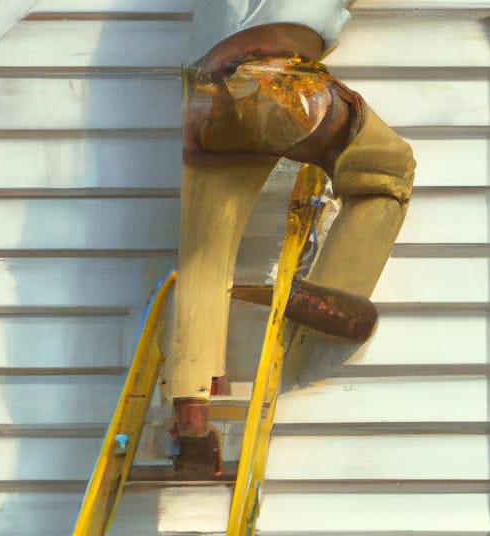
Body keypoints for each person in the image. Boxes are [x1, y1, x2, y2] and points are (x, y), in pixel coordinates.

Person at [166, 0, 416, 476]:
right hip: (279, 84)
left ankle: (192, 414)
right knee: (386, 166)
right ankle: (329, 299)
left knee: (205, 251)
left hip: (206, 95)